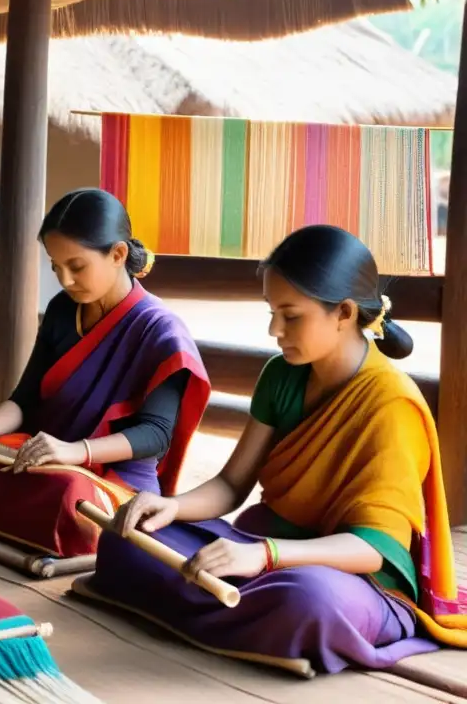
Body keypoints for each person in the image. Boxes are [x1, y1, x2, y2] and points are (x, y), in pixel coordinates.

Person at [82, 224, 467, 675]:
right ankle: (245, 621)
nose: (274, 329)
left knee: (307, 603)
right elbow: (230, 484)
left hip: (350, 579)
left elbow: (372, 549)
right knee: (126, 537)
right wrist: (169, 507)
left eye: (291, 315)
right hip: (262, 552)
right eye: (271, 312)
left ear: (343, 312)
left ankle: (216, 609)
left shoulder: (392, 402)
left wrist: (264, 556)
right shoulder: (282, 374)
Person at [0, 188, 211, 562]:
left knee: (64, 495)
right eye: (56, 267)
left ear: (118, 254)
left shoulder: (161, 330)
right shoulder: (62, 309)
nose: (65, 280)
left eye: (77, 266)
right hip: (44, 455)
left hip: (107, 478)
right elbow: (25, 400)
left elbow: (155, 435)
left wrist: (75, 452)